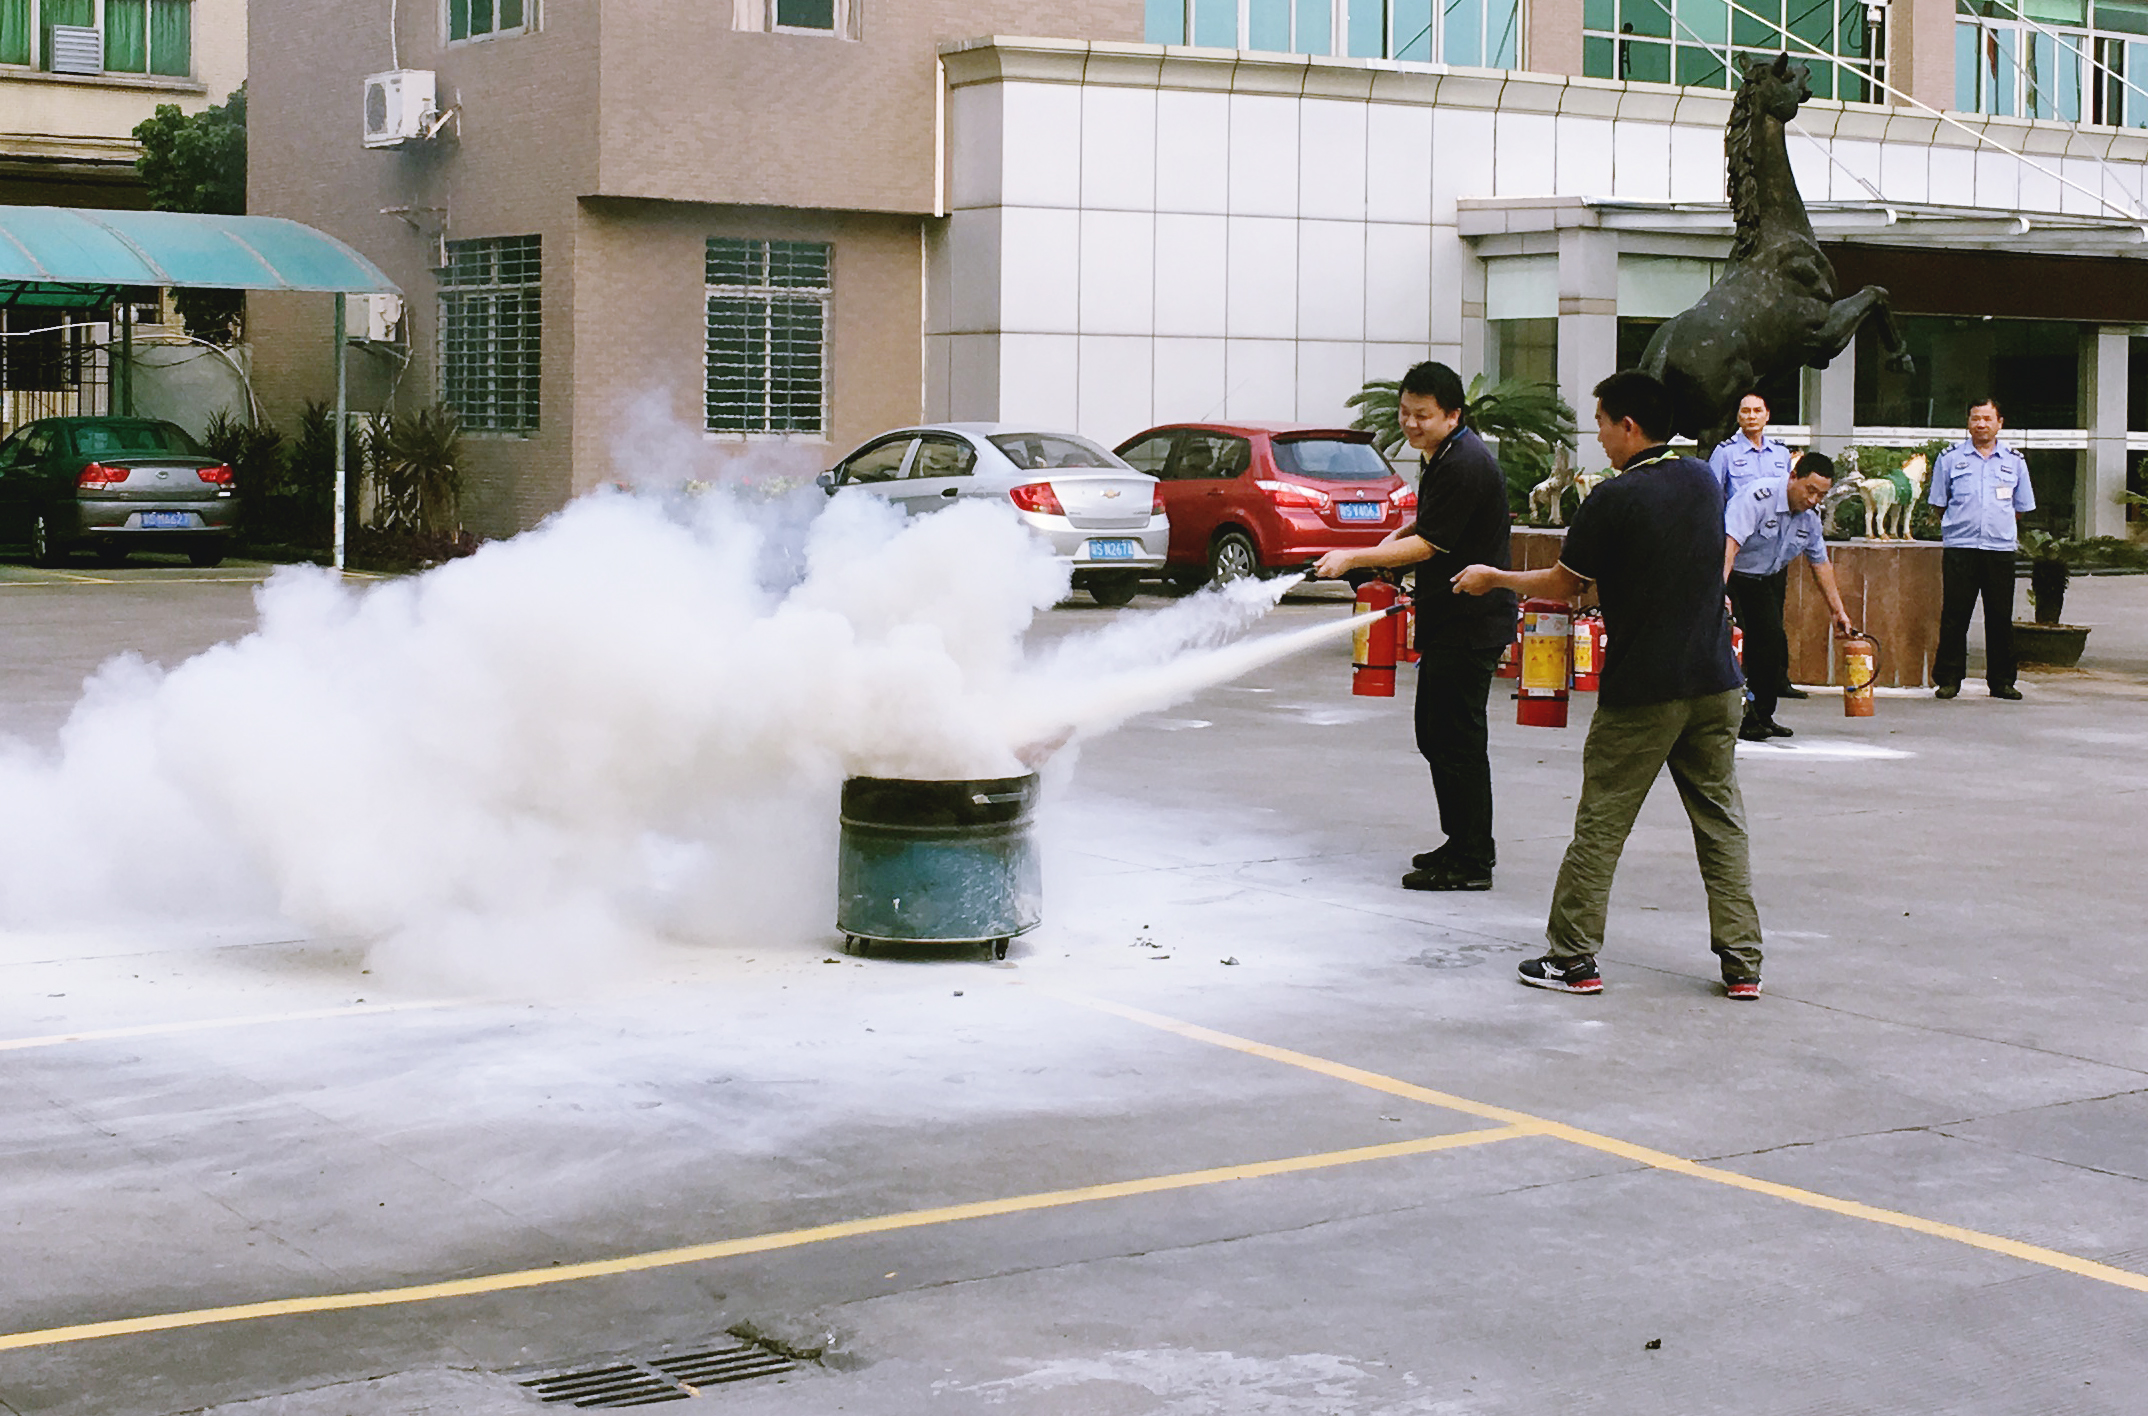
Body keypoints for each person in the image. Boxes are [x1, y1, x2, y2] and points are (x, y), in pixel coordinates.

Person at [1453, 370, 1764, 1000]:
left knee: (1602, 824)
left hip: (1644, 689)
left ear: (1628, 426)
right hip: (1715, 681)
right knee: (1721, 822)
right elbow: (1648, 571)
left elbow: (1567, 585)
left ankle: (1572, 958)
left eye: (1600, 423)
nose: (1597, 436)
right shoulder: (1703, 479)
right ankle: (1743, 963)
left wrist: (1494, 577)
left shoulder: (1613, 499)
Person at [1311, 361, 1516, 892]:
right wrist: (1382, 547)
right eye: (1404, 412)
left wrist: (1354, 559)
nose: (1410, 423)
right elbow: (1428, 526)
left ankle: (1473, 859)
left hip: (1469, 625)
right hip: (1449, 620)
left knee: (1457, 740)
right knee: (1437, 734)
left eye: (1422, 415)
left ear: (1453, 414)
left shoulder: (1464, 464)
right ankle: (1460, 840)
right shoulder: (1444, 457)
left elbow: (1429, 545)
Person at [1724, 450, 1855, 742]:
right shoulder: (1758, 497)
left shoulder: (1810, 518)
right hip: (1731, 576)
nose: (1812, 500)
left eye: (1820, 495)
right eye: (1809, 490)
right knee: (1737, 646)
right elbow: (1729, 545)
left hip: (1764, 580)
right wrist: (1719, 591)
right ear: (1793, 476)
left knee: (1771, 643)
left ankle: (1763, 715)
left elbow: (1820, 563)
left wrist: (1838, 611)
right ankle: (1738, 717)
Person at [1929, 398, 2033, 701]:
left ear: (2000, 423)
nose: (1981, 424)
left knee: (2000, 616)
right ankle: (1948, 679)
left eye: (1988, 419)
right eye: (1975, 418)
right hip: (1961, 547)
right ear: (1968, 422)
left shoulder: (2015, 461)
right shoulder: (1949, 458)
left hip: (1999, 548)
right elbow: (1939, 503)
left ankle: (2002, 681)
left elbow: (2020, 507)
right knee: (1955, 615)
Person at [1709, 392, 1807, 701]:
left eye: (1757, 411)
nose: (1751, 416)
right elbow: (1713, 497)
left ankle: (1776, 678)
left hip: (1773, 550)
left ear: (1767, 415)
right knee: (1741, 620)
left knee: (1773, 621)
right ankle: (1740, 678)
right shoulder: (1725, 453)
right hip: (1738, 551)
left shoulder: (1780, 453)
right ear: (1737, 417)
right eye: (1745, 411)